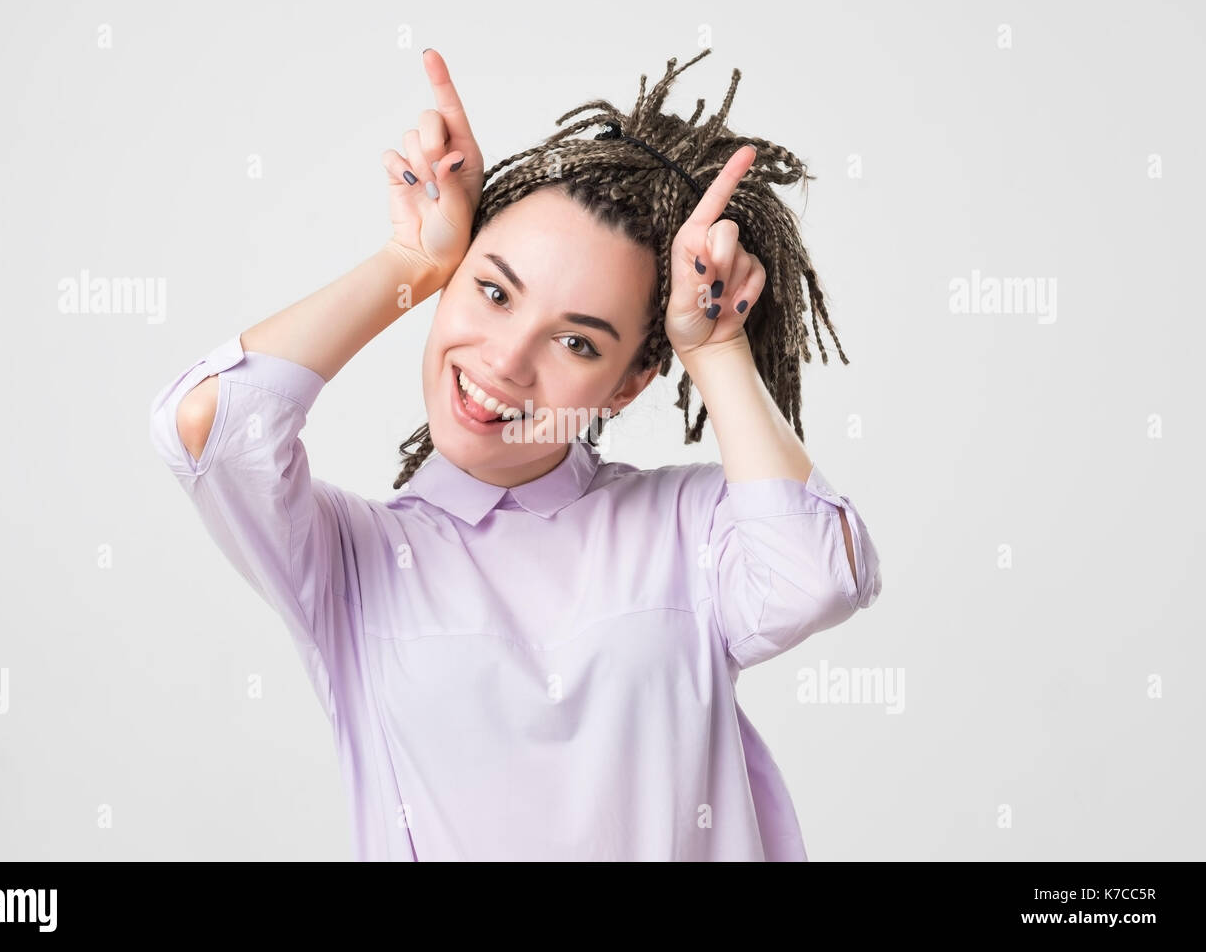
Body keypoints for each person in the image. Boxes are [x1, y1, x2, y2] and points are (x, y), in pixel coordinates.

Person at [148, 47, 882, 861]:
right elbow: (211, 422)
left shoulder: (690, 525)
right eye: (491, 292)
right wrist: (412, 264)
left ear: (628, 385)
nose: (504, 361)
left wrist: (714, 351)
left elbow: (816, 577)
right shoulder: (351, 562)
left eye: (575, 340)